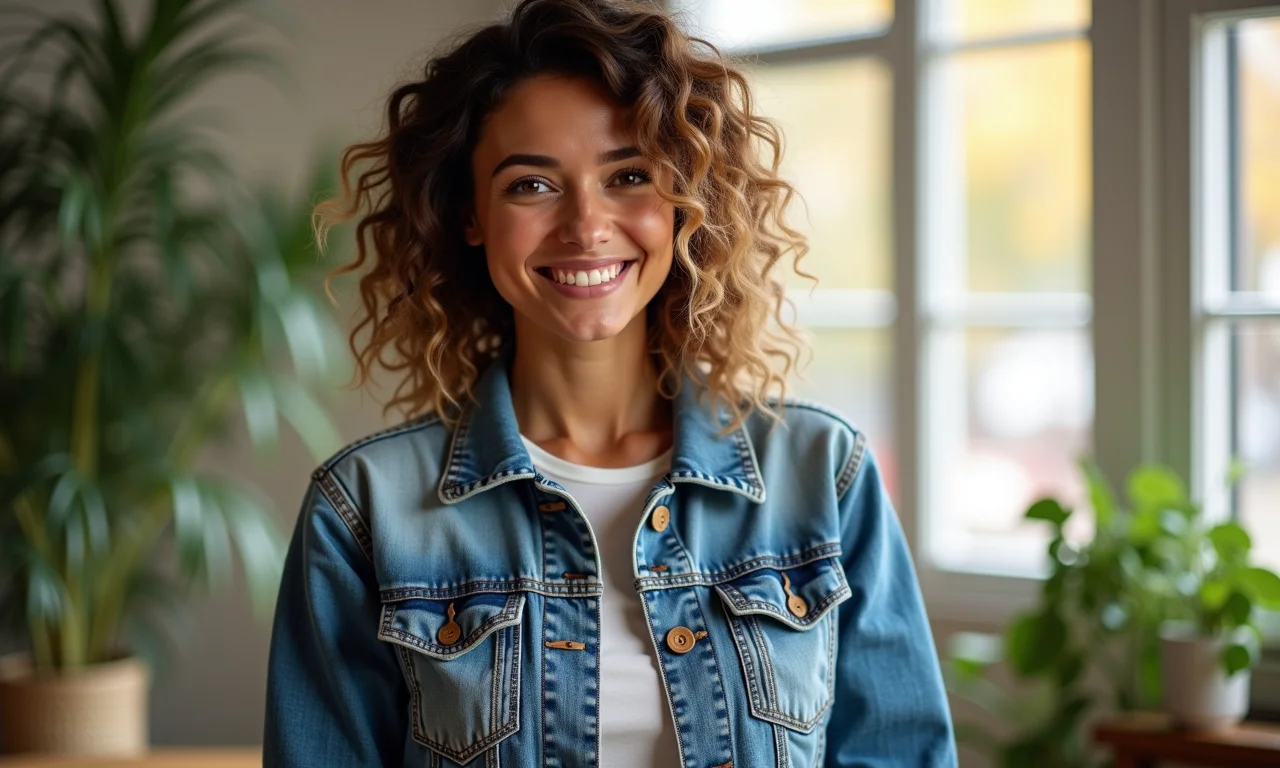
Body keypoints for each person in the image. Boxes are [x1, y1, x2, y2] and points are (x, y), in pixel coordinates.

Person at [263, 0, 956, 765]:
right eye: (531, 185)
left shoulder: (823, 475)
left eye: (629, 176)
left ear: (685, 201)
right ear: (470, 214)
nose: (586, 226)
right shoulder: (364, 510)